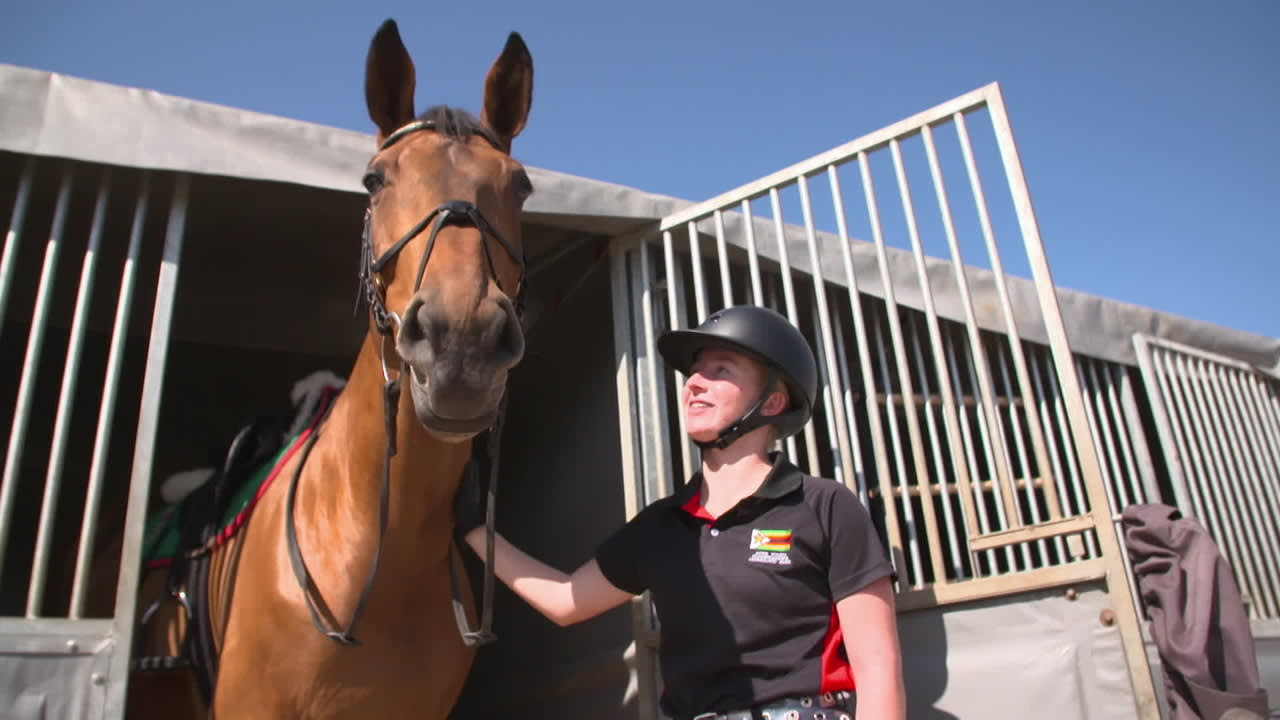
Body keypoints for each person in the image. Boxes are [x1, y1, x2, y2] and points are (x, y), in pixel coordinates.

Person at [455, 304, 906, 720]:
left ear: (771, 402)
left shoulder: (824, 506)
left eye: (720, 371)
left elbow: (878, 665)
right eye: (693, 372)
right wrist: (475, 529)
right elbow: (565, 601)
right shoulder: (660, 526)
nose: (693, 383)